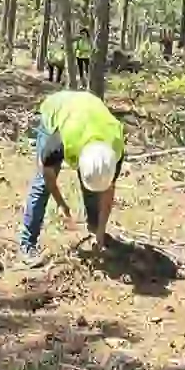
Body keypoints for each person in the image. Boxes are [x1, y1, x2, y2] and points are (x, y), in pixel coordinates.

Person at [18, 89, 125, 262]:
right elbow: (46, 171)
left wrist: (100, 231)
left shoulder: (115, 148)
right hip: (58, 108)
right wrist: (61, 203)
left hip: (90, 109)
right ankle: (27, 244)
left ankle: (94, 230)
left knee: (94, 187)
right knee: (41, 186)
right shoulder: (61, 141)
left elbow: (107, 192)